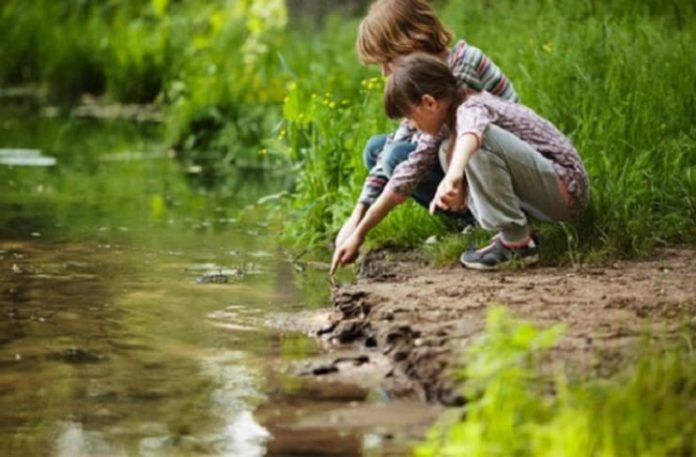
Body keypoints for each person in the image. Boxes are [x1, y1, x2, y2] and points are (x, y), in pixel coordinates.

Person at [330, 53, 589, 272]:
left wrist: (453, 176)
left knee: (471, 144)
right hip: (542, 194)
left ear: (429, 103)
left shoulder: (472, 105)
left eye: (409, 117)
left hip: (565, 189)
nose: (409, 125)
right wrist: (359, 234)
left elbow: (472, 134)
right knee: (446, 149)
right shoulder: (441, 128)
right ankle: (515, 235)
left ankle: (516, 243)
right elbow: (401, 182)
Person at [334, 0, 519, 253]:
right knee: (377, 149)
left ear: (414, 42)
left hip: (497, 163)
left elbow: (430, 149)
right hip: (456, 158)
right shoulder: (421, 81)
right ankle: (472, 217)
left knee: (397, 158)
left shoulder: (460, 67)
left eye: (388, 61)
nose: (385, 73)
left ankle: (488, 218)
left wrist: (363, 231)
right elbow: (402, 138)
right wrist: (356, 216)